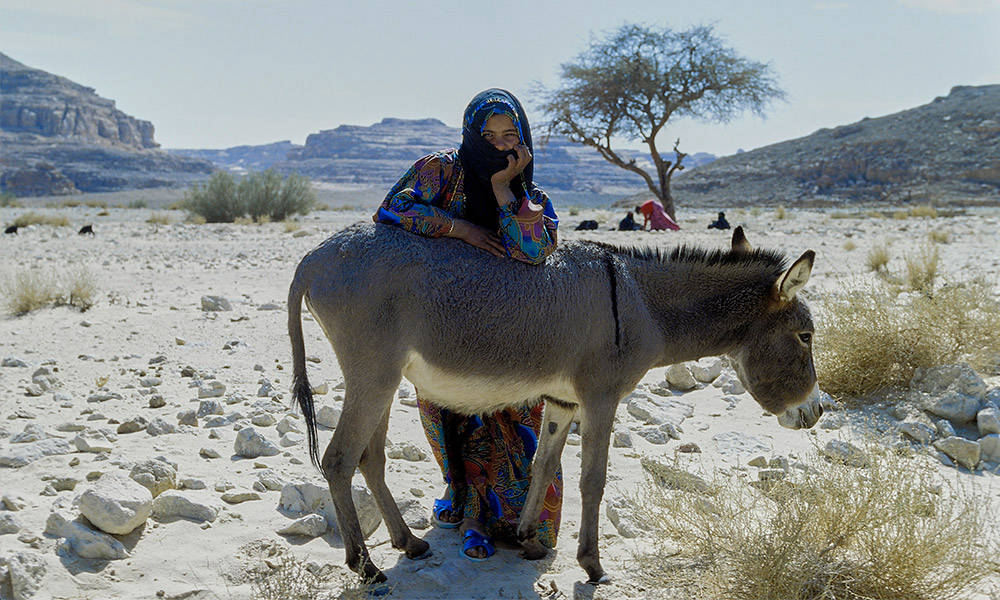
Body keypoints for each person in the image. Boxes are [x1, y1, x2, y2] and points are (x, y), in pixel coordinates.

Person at [372, 88, 563, 562]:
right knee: (458, 420)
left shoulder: (533, 197)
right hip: (444, 326)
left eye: (509, 135)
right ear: (470, 134)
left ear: (522, 139)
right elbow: (392, 209)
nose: (498, 144)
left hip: (516, 334)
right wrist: (462, 229)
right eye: (488, 134)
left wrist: (503, 191)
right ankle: (474, 516)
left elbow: (534, 252)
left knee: (520, 427)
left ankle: (515, 520)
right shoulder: (439, 170)